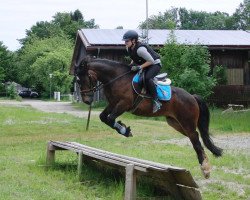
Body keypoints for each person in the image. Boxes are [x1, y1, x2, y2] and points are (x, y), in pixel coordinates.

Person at [122, 30, 162, 113]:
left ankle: (156, 101)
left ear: (133, 40)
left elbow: (151, 61)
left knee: (147, 78)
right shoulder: (128, 48)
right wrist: (131, 65)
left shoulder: (140, 49)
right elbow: (134, 57)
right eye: (125, 41)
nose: (125, 43)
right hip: (146, 64)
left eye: (127, 41)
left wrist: (139, 67)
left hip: (155, 64)